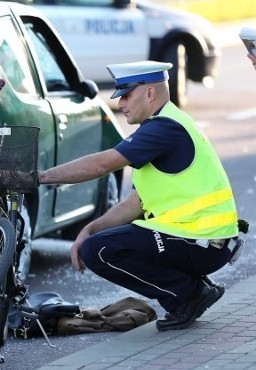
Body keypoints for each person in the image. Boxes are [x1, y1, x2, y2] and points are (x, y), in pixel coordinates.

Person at [38, 60, 242, 332]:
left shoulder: (164, 128)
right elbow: (134, 203)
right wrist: (90, 228)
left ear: (149, 93)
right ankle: (193, 288)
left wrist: (40, 177)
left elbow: (102, 164)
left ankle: (188, 295)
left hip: (203, 242)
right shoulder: (163, 126)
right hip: (202, 241)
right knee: (97, 241)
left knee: (100, 250)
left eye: (126, 94)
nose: (120, 103)